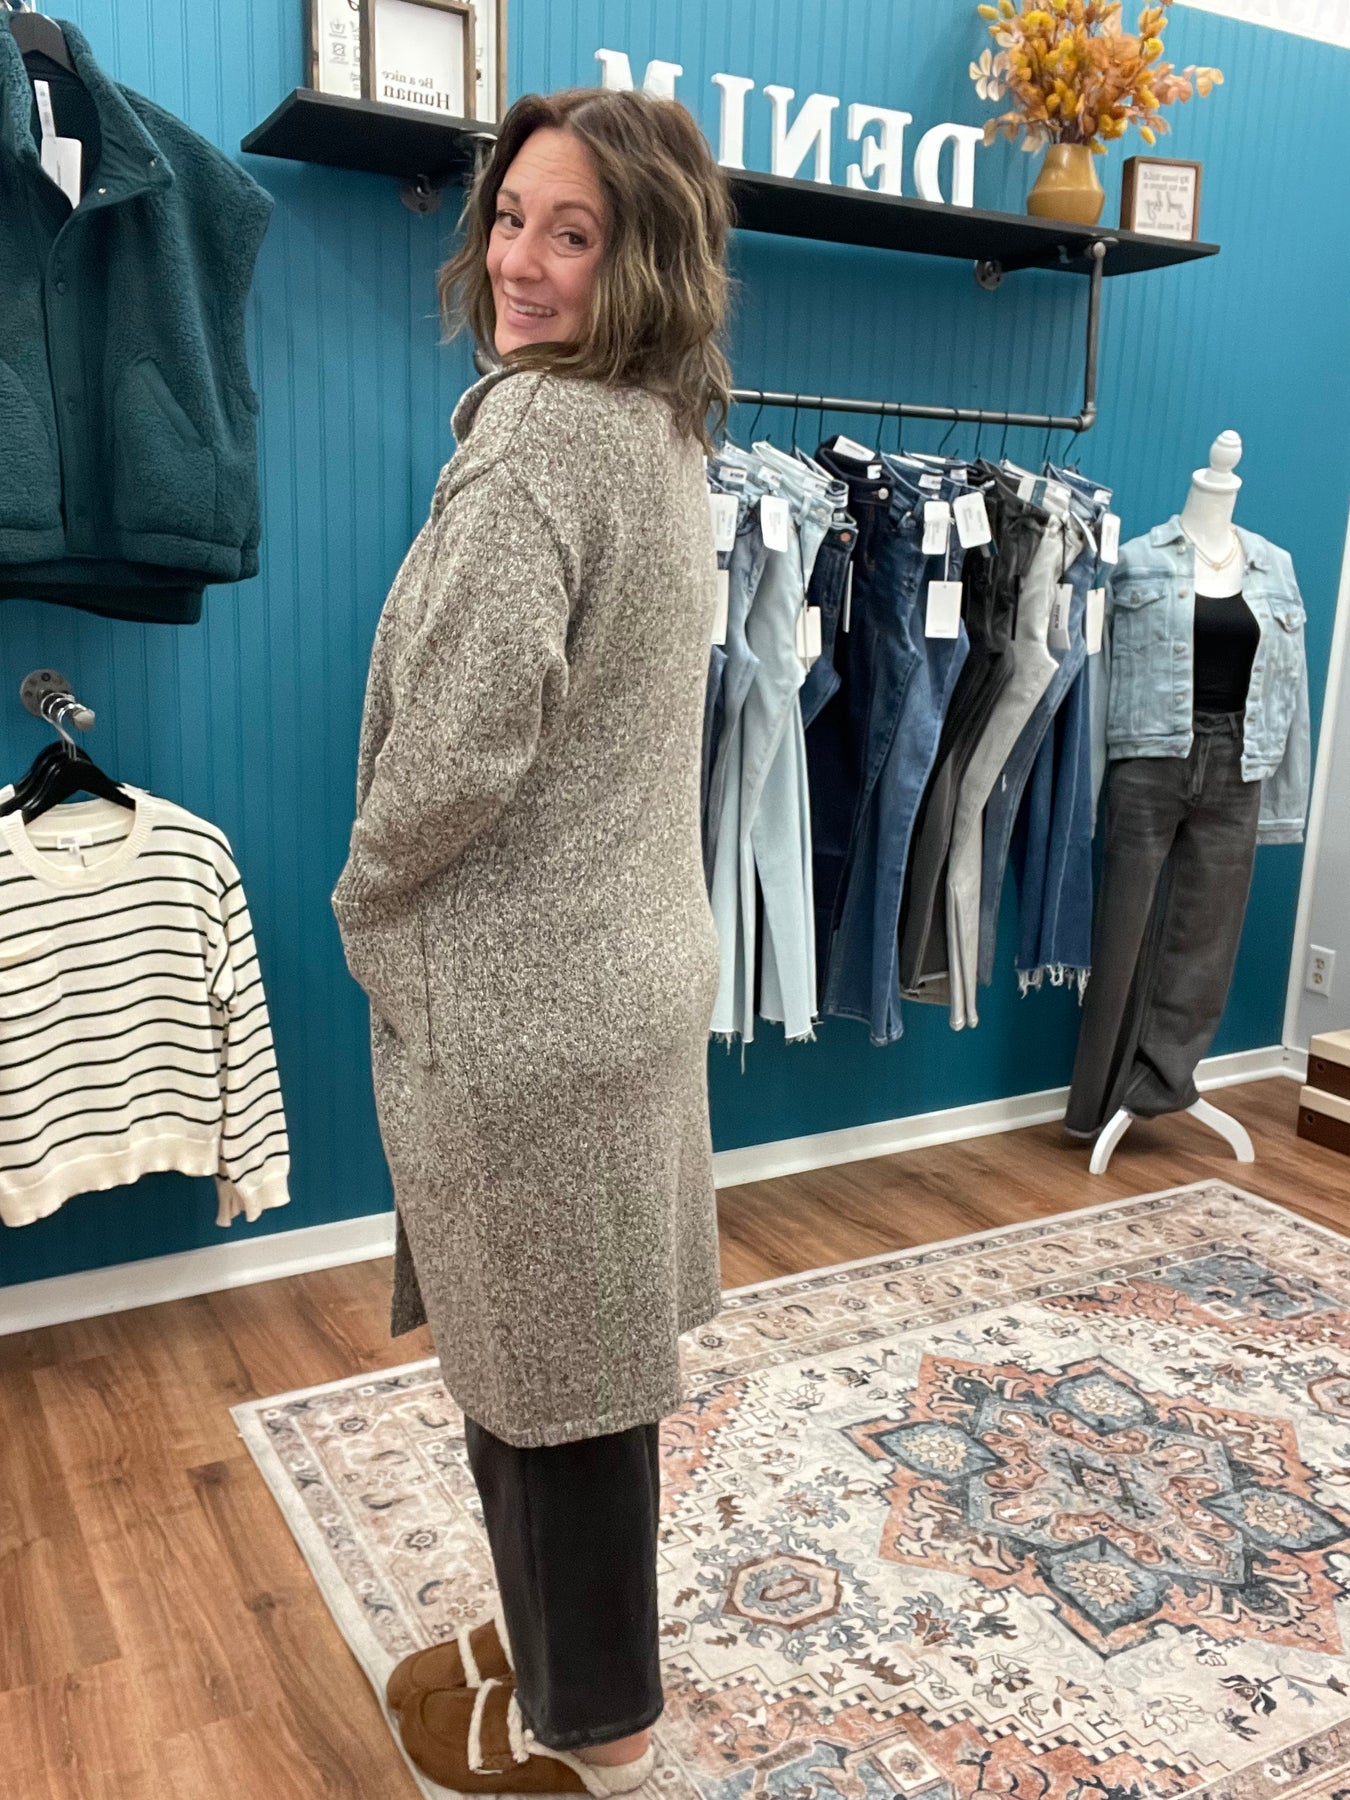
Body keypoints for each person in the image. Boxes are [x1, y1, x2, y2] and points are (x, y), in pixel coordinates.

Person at [332, 85, 733, 1795]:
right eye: (510, 217)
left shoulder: (536, 448)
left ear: (643, 263)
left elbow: (455, 752)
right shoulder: (660, 436)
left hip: (530, 1000)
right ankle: (553, 1650)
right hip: (624, 972)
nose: (519, 259)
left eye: (573, 234)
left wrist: (364, 894)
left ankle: (597, 1739)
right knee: (574, 1372)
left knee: (546, 1401)